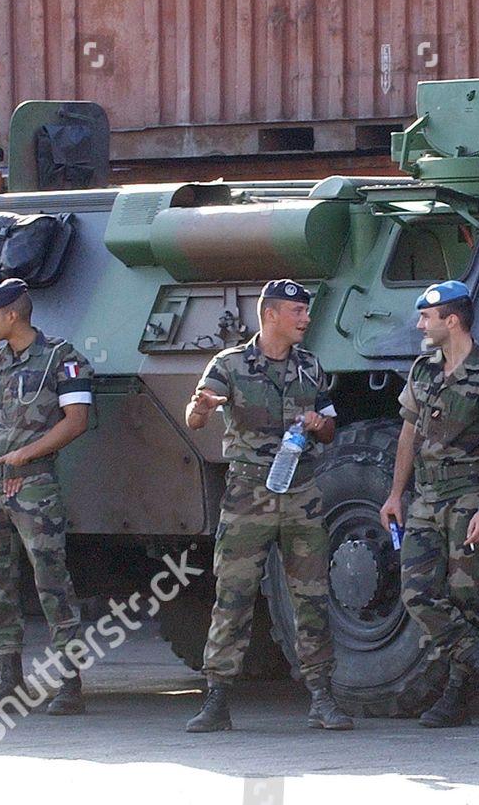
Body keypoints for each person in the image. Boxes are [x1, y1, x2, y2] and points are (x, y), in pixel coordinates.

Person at [184, 278, 351, 732]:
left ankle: (322, 698)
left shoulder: (311, 367)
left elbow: (332, 428)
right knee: (233, 596)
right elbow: (196, 416)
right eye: (297, 312)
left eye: (306, 312)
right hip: (249, 495)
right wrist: (203, 407)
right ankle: (216, 699)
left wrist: (319, 424)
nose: (306, 319)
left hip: (302, 494)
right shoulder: (230, 365)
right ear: (271, 315)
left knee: (312, 598)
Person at [379, 279, 479, 728]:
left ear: (451, 320)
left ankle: (456, 696)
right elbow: (408, 434)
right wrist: (396, 494)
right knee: (417, 593)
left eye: (427, 317)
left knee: (466, 599)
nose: (420, 324)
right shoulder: (422, 370)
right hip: (424, 499)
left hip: (466, 498)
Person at [0, 279, 94, 717]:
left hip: (35, 485)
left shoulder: (61, 357)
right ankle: (9, 677)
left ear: (11, 315)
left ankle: (69, 680)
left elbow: (76, 421)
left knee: (51, 581)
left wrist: (26, 455)